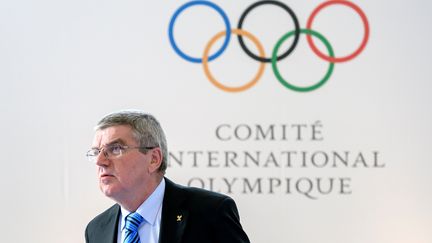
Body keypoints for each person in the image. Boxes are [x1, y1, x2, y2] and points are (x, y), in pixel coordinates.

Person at [85, 110, 250, 243]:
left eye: (115, 149)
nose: (100, 161)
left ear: (154, 159)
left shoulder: (210, 212)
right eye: (95, 152)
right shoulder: (96, 230)